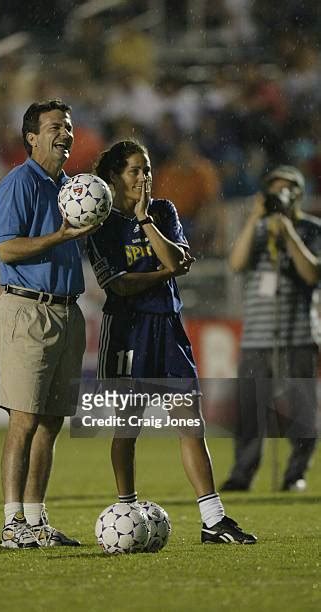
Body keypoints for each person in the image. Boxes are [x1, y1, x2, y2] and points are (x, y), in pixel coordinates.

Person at [87, 140, 257, 544]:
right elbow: (121, 286)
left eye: (146, 168)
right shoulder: (100, 225)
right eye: (134, 170)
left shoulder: (162, 212)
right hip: (127, 330)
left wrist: (147, 222)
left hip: (168, 327)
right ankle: (126, 508)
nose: (144, 176)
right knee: (127, 427)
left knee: (190, 424)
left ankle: (213, 520)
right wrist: (166, 272)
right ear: (114, 176)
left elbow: (178, 258)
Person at [0, 99, 95, 549]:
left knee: (52, 421)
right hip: (30, 310)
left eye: (68, 127)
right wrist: (57, 238)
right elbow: (6, 249)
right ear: (32, 137)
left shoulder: (73, 188)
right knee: (24, 419)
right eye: (55, 126)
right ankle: (11, 523)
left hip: (68, 310)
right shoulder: (20, 183)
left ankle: (36, 519)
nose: (65, 134)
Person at [221, 165, 321, 492]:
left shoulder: (311, 228)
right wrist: (255, 218)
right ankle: (242, 473)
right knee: (249, 413)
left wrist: (289, 232)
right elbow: (236, 263)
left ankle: (295, 474)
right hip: (256, 337)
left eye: (288, 188)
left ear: (299, 193)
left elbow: (311, 274)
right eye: (275, 189)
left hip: (299, 335)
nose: (281, 194)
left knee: (302, 411)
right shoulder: (257, 229)